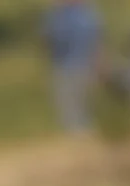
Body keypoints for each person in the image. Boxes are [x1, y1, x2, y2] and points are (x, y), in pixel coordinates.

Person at [44, 0, 104, 134]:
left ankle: (77, 131)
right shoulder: (89, 15)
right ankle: (83, 130)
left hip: (65, 66)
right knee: (82, 102)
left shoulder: (58, 17)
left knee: (70, 104)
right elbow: (97, 42)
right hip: (82, 65)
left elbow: (48, 41)